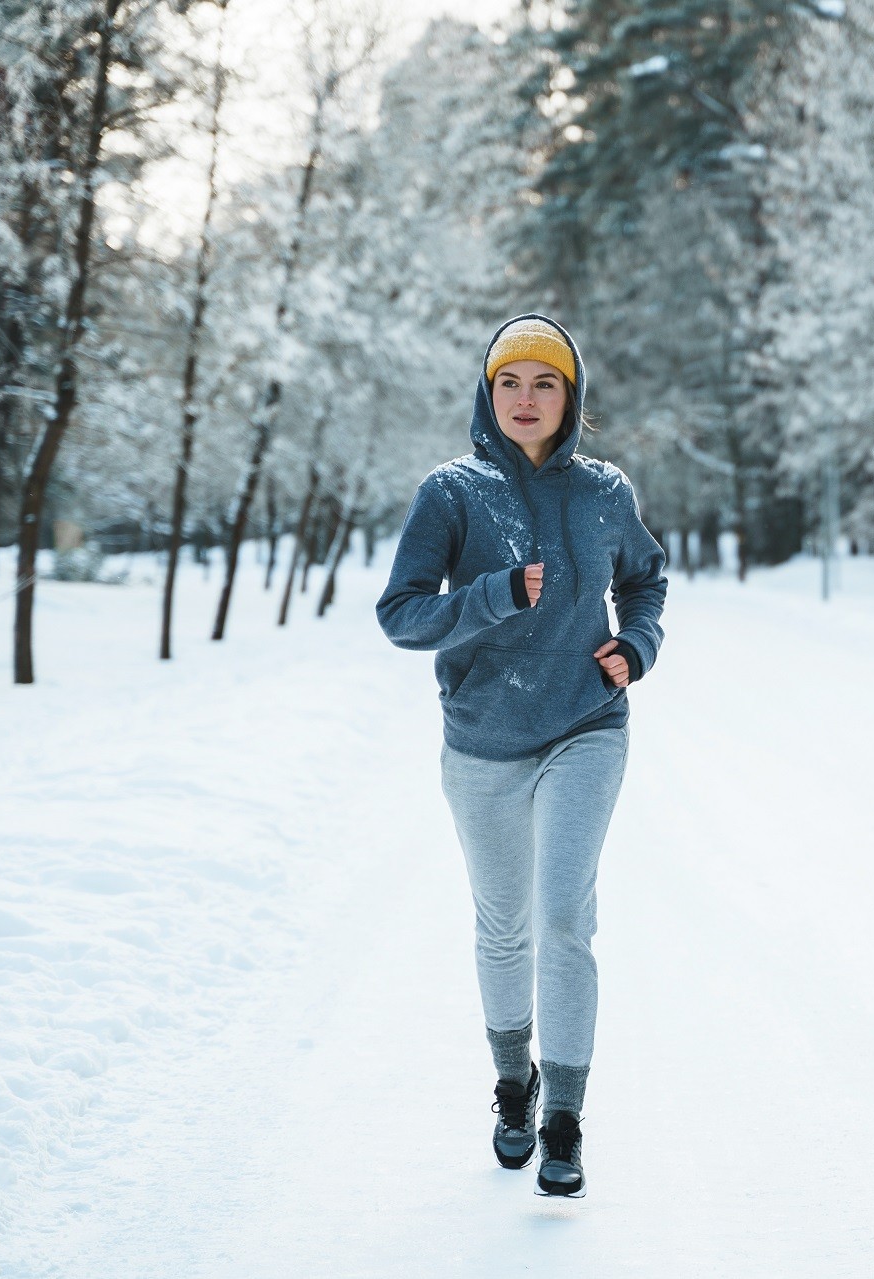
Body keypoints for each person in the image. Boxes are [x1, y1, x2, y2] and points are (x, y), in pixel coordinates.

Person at [376, 314, 668, 1197]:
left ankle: (566, 1118)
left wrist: (638, 644)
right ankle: (514, 1084)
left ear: (570, 397)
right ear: (488, 392)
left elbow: (644, 578)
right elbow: (401, 614)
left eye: (546, 383)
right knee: (503, 924)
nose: (527, 398)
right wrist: (492, 595)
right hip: (483, 741)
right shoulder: (451, 494)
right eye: (511, 382)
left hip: (585, 725)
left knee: (563, 919)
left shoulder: (605, 491)